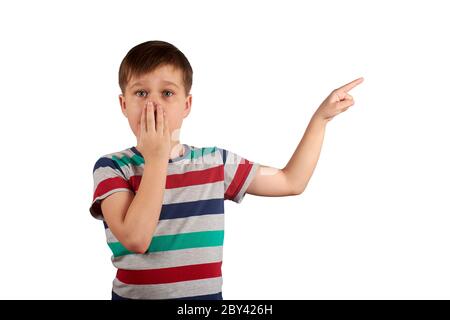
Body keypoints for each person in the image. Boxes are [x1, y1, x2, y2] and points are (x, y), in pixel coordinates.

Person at [89, 40, 364, 300]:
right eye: (141, 93)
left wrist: (320, 119)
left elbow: (290, 181)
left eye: (167, 93)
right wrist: (158, 157)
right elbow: (136, 239)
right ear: (124, 105)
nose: (153, 104)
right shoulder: (112, 168)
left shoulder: (214, 163)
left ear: (186, 105)